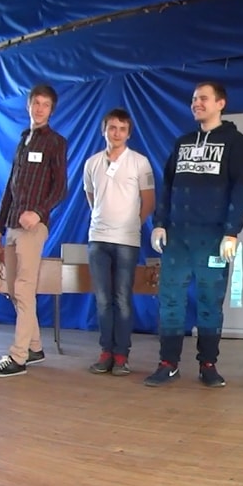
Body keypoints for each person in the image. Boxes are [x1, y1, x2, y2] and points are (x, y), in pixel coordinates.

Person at [144, 82, 243, 389]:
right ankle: (168, 363)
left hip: (213, 238)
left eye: (203, 98)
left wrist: (231, 231)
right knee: (170, 300)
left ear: (221, 103)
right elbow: (167, 185)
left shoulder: (235, 142)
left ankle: (208, 364)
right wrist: (160, 223)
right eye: (194, 99)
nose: (196, 103)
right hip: (177, 238)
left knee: (209, 302)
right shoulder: (182, 142)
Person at [0, 83, 67, 377]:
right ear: (29, 105)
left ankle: (17, 357)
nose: (40, 109)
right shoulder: (23, 140)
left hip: (33, 227)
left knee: (23, 287)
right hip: (11, 226)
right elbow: (11, 186)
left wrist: (39, 212)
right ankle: (34, 347)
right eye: (36, 103)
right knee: (13, 289)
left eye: (46, 105)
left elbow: (60, 188)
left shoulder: (55, 142)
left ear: (51, 110)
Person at [83, 107, 155, 376]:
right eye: (112, 128)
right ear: (104, 130)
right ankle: (106, 352)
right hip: (98, 239)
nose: (117, 133)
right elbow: (91, 197)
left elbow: (149, 201)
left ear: (129, 133)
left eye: (122, 129)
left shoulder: (140, 162)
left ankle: (122, 355)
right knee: (103, 299)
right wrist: (101, 219)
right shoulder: (91, 163)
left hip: (126, 241)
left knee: (122, 298)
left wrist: (132, 225)